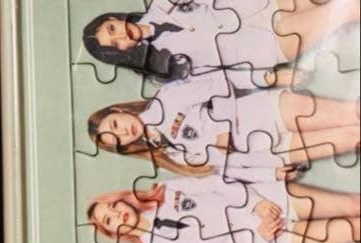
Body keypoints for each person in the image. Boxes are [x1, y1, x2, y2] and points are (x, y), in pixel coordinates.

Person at [82, 0, 360, 86]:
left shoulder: (162, 0)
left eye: (112, 28)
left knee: (338, 6)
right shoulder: (162, 71)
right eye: (115, 43)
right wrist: (269, 79)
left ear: (114, 18)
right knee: (345, 10)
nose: (121, 34)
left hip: (260, 5)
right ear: (121, 53)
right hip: (263, 45)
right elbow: (219, 81)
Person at [87, 74, 360, 183]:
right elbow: (223, 170)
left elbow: (220, 84)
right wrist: (269, 173)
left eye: (115, 125)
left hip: (265, 113)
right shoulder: (167, 157)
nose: (123, 133)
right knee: (351, 137)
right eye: (117, 140)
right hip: (271, 152)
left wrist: (222, 129)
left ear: (119, 111)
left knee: (350, 114)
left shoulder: (166, 98)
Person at [86, 176, 359, 243]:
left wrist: (255, 204)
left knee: (352, 204)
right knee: (353, 230)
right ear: (113, 234)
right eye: (109, 220)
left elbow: (217, 184)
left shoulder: (165, 189)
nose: (117, 214)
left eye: (113, 206)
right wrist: (260, 240)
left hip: (268, 200)